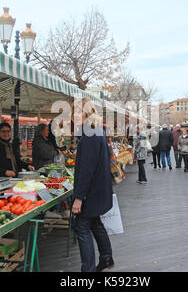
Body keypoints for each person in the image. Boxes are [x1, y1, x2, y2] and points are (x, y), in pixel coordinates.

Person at [72, 98, 114, 273]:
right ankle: (106, 258)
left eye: (76, 112)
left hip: (91, 191)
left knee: (81, 226)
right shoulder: (96, 131)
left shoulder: (89, 133)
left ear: (86, 113)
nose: (73, 116)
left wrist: (79, 198)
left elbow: (87, 170)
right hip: (99, 190)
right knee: (95, 222)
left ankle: (87, 270)